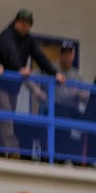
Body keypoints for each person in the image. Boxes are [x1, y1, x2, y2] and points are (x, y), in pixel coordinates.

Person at [0, 9, 63, 156]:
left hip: (14, 86)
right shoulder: (6, 36)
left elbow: (40, 57)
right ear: (16, 22)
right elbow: (10, 52)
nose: (24, 26)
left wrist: (55, 73)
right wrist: (19, 68)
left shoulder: (29, 40)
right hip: (2, 84)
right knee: (6, 118)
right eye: (22, 23)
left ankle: (5, 152)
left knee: (8, 118)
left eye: (27, 24)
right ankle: (13, 152)